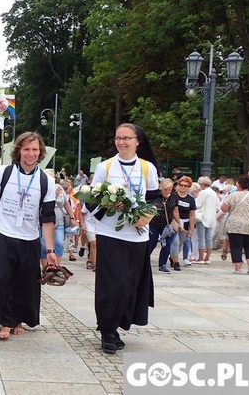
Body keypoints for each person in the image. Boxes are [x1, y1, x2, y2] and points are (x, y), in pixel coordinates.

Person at [0, 132, 57, 340]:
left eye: (34, 150)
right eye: (26, 149)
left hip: (29, 237)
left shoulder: (46, 181)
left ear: (40, 152)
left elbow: (48, 218)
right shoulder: (4, 172)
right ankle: (4, 321)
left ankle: (17, 320)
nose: (30, 154)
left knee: (24, 282)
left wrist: (50, 250)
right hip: (3, 233)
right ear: (18, 151)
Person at [90, 123, 159, 354]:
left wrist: (147, 216)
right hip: (110, 234)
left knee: (130, 286)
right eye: (118, 138)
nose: (122, 142)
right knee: (113, 284)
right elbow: (89, 200)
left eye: (127, 138)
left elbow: (156, 199)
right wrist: (108, 205)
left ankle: (117, 326)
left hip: (138, 237)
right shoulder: (105, 167)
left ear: (138, 141)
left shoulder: (148, 168)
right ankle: (107, 331)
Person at [220, 176, 249, 274]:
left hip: (234, 224)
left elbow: (224, 209)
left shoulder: (233, 195)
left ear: (238, 184)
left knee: (236, 246)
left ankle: (238, 268)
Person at [148, 179, 180, 273]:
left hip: (169, 225)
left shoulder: (174, 196)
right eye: (165, 189)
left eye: (169, 189)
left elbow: (175, 210)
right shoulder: (155, 196)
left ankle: (162, 265)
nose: (167, 191)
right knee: (151, 243)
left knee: (167, 244)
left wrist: (179, 223)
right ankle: (142, 261)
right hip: (155, 223)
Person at [170, 176, 196, 269]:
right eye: (181, 185)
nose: (183, 187)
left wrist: (191, 229)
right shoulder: (173, 196)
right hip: (174, 222)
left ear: (189, 187)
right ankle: (176, 262)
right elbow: (174, 211)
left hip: (185, 222)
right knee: (175, 242)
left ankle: (173, 257)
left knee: (181, 243)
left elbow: (192, 214)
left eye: (186, 186)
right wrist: (178, 224)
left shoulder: (191, 199)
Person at [194, 176, 219, 264]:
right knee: (208, 238)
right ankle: (207, 258)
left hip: (202, 217)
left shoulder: (203, 192)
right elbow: (217, 206)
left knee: (201, 238)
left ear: (202, 184)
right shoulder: (213, 193)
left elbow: (198, 204)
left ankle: (200, 258)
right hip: (211, 217)